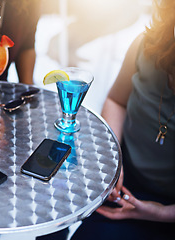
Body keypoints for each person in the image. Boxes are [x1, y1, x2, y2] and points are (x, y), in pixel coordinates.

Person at [71, 0, 175, 239]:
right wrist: (114, 160)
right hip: (125, 183)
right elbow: (116, 101)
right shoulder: (148, 44)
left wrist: (160, 213)